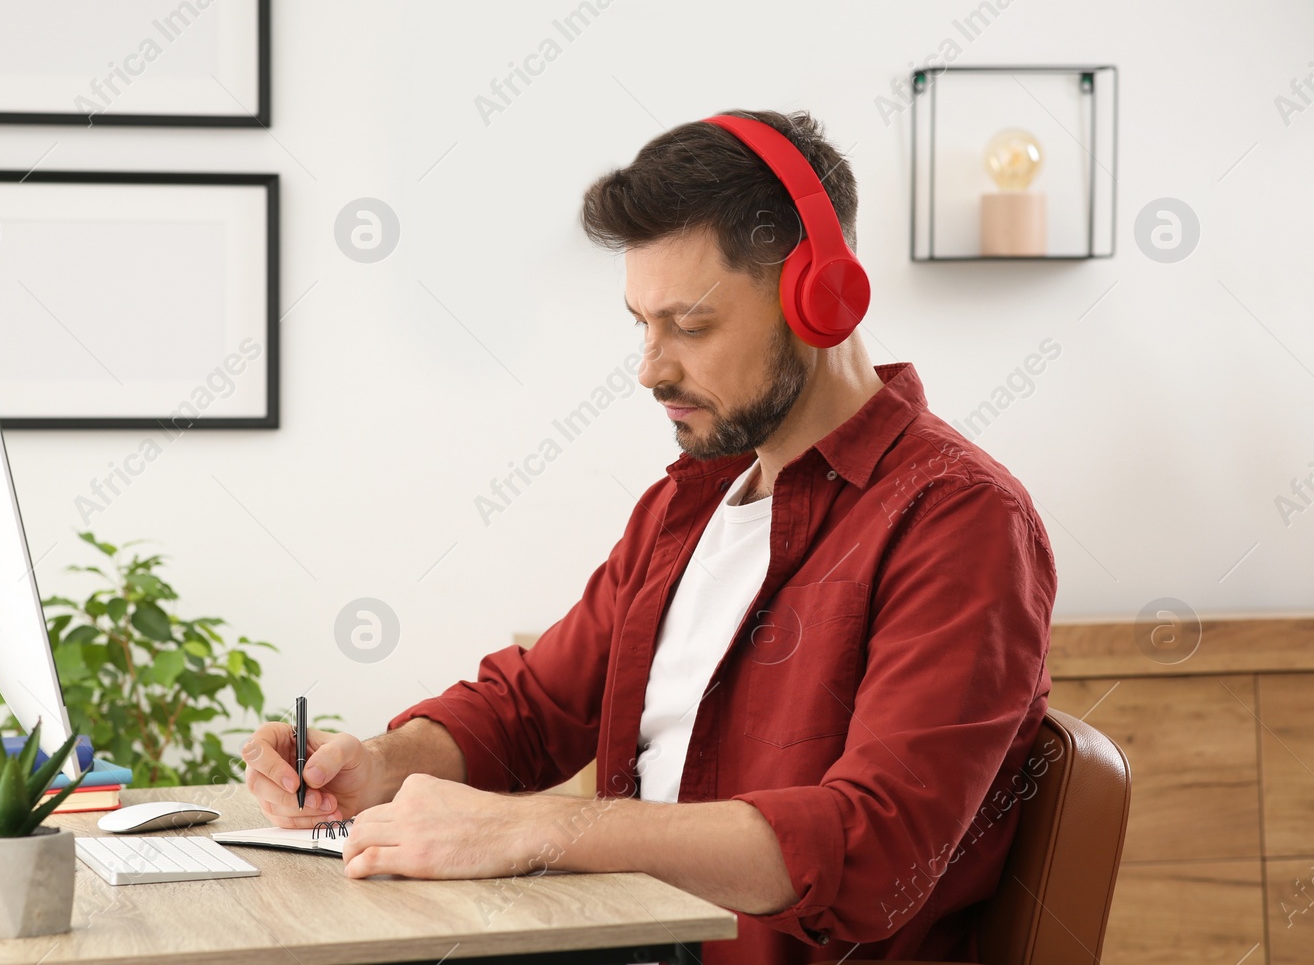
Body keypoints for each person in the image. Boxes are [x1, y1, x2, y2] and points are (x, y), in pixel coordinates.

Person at [241, 109, 1056, 963]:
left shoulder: (958, 519)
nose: (651, 368)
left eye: (690, 327)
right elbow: (533, 708)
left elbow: (872, 847)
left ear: (821, 299)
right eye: (643, 323)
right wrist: (381, 762)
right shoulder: (690, 505)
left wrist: (536, 828)